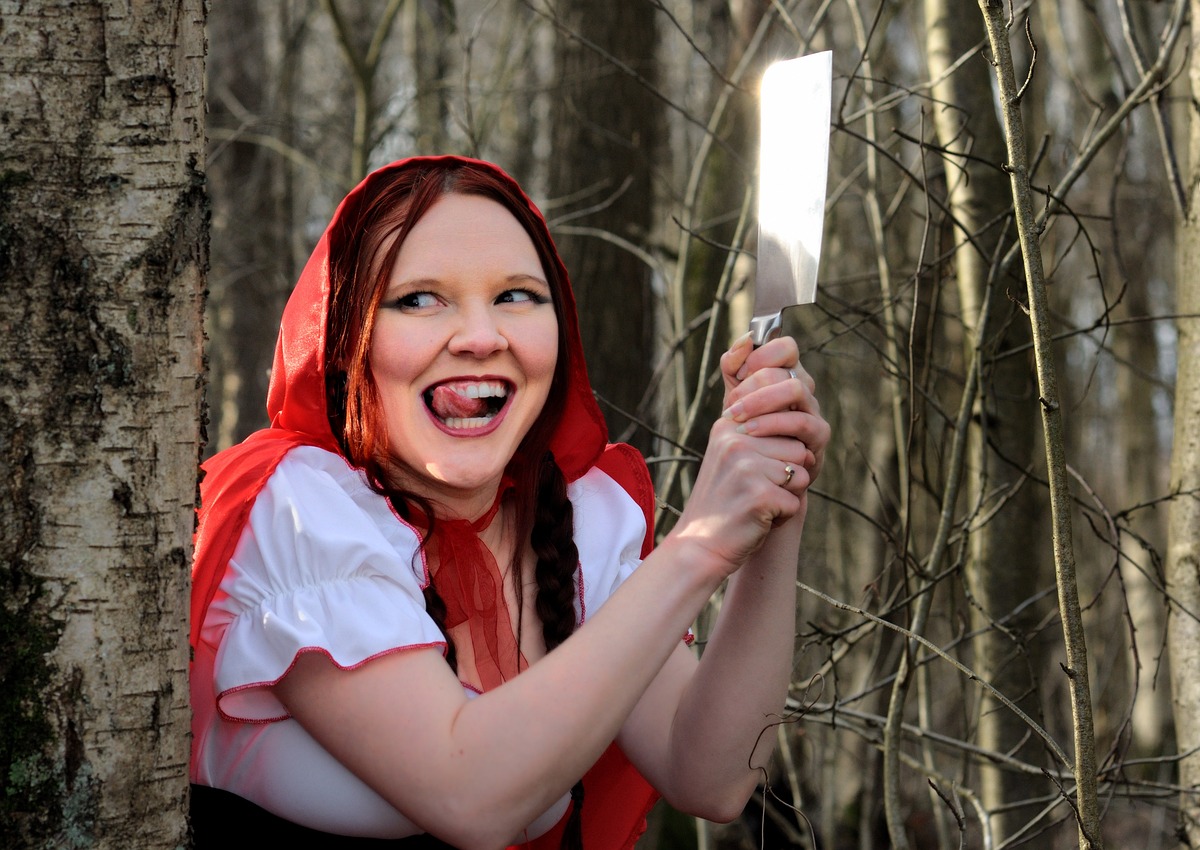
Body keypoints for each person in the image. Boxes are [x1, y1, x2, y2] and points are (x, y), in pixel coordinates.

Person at [189, 155, 830, 850]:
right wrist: (698, 544)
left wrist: (770, 504)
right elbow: (469, 792)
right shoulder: (299, 513)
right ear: (344, 342)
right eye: (419, 299)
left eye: (517, 296)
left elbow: (710, 775)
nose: (481, 337)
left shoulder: (578, 520)